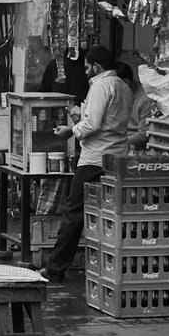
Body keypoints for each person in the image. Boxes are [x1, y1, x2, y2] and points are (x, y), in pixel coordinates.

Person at [44, 45, 132, 283]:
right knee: (109, 213)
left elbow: (92, 124)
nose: (84, 72)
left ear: (97, 66)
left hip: (94, 159)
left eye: (86, 66)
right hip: (118, 156)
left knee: (73, 214)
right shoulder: (123, 87)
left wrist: (70, 131)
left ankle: (55, 269)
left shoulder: (101, 86)